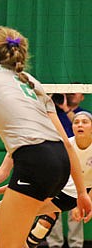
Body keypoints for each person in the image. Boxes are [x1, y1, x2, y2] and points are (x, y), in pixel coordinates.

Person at [0, 25, 92, 248]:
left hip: (35, 160)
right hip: (59, 163)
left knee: (7, 243)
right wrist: (82, 192)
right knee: (4, 228)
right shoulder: (33, 83)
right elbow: (65, 143)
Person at [0, 110, 92, 248]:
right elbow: (3, 172)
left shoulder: (52, 145)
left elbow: (34, 184)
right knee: (7, 220)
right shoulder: (19, 141)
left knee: (2, 214)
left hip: (64, 192)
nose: (79, 125)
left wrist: (85, 196)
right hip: (52, 187)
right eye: (76, 122)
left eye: (84, 122)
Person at [48, 91, 87, 248]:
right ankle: (54, 244)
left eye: (75, 93)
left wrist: (66, 109)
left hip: (77, 164)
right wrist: (49, 102)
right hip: (55, 160)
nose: (71, 95)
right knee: (50, 205)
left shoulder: (83, 115)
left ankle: (76, 244)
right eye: (68, 92)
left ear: (82, 96)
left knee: (76, 205)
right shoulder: (53, 112)